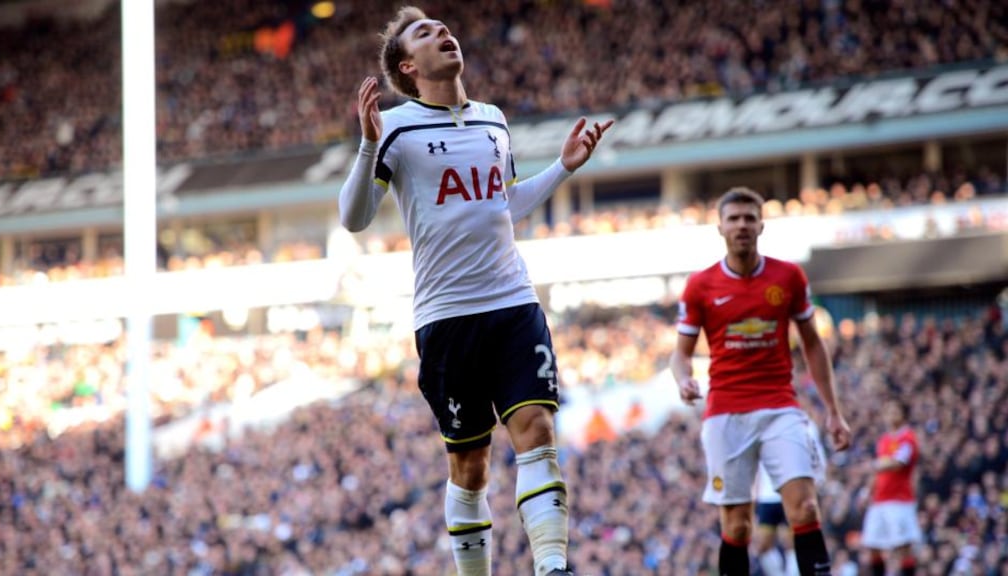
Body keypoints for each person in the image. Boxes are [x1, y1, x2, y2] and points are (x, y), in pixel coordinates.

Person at [338, 7, 613, 576]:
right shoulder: (394, 126)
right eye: (425, 33)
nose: (443, 32)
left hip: (512, 301)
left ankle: (552, 565)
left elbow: (504, 205)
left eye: (443, 26)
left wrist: (562, 168)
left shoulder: (493, 118)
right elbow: (354, 218)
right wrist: (367, 145)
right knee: (470, 466)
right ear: (408, 66)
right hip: (447, 317)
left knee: (537, 428)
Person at [669, 187, 852, 576]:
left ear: (761, 225)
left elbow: (813, 345)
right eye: (733, 218)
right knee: (737, 524)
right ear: (720, 227)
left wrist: (834, 412)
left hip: (780, 406)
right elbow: (680, 353)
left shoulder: (788, 277)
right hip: (726, 413)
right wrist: (684, 380)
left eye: (749, 218)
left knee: (804, 507)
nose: (741, 225)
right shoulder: (701, 285)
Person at [752, 418, 827, 576]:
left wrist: (816, 481)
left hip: (792, 490)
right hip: (767, 495)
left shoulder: (803, 423)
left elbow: (816, 454)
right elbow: (755, 461)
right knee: (762, 544)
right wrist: (754, 490)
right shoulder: (759, 424)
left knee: (791, 542)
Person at [860, 399, 922, 576]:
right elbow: (878, 473)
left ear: (904, 415)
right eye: (888, 411)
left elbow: (899, 462)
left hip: (899, 500)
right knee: (872, 545)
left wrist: (874, 465)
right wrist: (866, 492)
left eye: (895, 411)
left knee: (903, 546)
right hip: (879, 500)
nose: (891, 415)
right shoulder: (884, 440)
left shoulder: (908, 438)